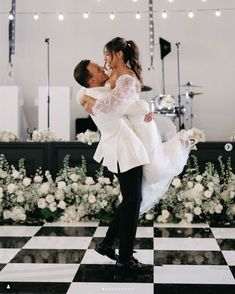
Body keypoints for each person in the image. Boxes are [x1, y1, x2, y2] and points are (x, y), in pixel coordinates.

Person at [73, 37, 192, 271]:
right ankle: (124, 256)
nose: (103, 64)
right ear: (92, 79)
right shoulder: (100, 94)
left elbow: (119, 103)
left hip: (126, 146)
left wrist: (147, 111)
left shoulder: (100, 89)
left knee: (131, 200)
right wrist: (143, 110)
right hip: (125, 149)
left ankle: (110, 245)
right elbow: (112, 106)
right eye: (98, 67)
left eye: (105, 56)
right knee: (132, 200)